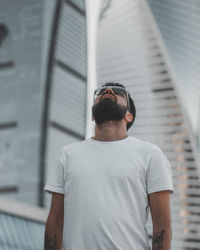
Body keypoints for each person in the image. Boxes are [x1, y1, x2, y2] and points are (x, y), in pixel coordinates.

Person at [44, 82, 174, 250]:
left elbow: (162, 225)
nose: (108, 91)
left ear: (129, 116)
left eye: (119, 92)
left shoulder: (150, 154)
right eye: (101, 92)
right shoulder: (67, 155)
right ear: (92, 115)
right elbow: (55, 222)